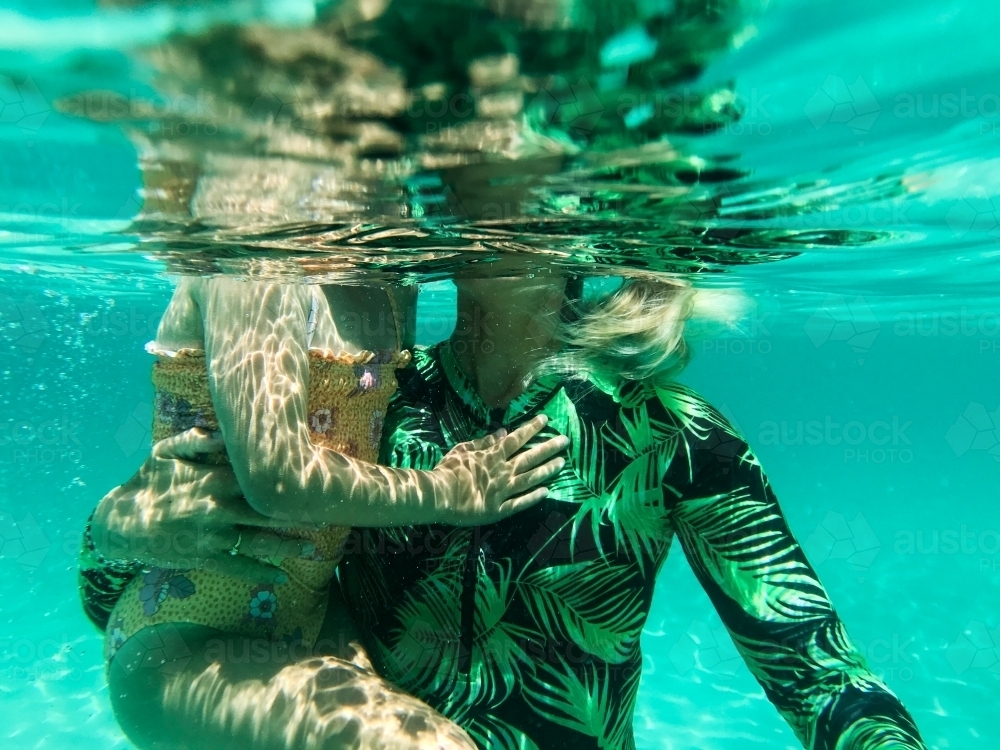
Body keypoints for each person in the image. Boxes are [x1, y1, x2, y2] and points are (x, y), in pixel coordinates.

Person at [81, 269, 926, 749]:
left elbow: (817, 673)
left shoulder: (665, 432)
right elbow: (133, 586)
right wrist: (112, 526)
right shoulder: (382, 402)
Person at [81, 272, 569, 750]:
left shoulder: (390, 280)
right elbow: (278, 480)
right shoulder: (257, 260)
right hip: (182, 634)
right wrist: (445, 489)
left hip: (314, 617)